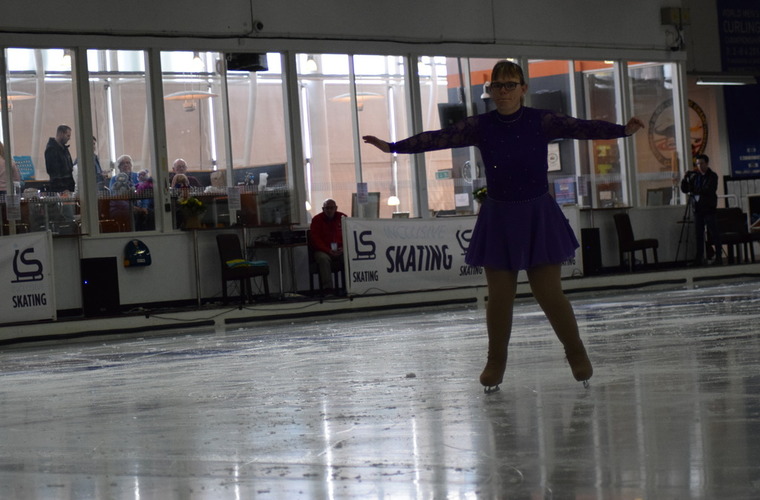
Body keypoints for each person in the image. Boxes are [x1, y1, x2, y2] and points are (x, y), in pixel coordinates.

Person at [363, 60, 645, 392]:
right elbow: (439, 138)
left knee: (550, 294)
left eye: (511, 85)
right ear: (491, 91)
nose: (504, 91)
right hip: (499, 216)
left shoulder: (542, 120)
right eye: (498, 85)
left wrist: (621, 131)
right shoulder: (481, 125)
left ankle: (576, 351)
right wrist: (394, 147)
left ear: (524, 88)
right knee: (499, 296)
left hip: (536, 213)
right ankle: (495, 362)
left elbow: (581, 127)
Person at [680, 153, 721, 266]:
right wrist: (685, 178)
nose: (699, 166)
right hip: (697, 209)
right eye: (697, 164)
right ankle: (699, 258)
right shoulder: (695, 176)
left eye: (701, 163)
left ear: (707, 163)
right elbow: (685, 189)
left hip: (709, 208)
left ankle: (718, 257)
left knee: (714, 233)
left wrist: (694, 189)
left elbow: (707, 189)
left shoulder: (712, 176)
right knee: (698, 234)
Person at [309, 198, 347, 296]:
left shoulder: (343, 218)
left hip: (340, 249)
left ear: (336, 208)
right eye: (327, 208)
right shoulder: (316, 220)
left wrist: (343, 248)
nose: (329, 210)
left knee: (348, 258)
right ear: (323, 209)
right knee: (323, 259)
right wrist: (328, 250)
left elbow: (348, 235)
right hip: (323, 250)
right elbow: (315, 239)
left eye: (331, 208)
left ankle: (348, 286)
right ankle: (328, 289)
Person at [44, 124, 75, 193]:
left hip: (68, 186)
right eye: (68, 135)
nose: (69, 138)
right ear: (61, 134)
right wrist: (63, 188)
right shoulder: (52, 149)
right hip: (60, 188)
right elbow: (54, 171)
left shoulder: (64, 149)